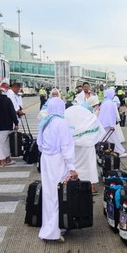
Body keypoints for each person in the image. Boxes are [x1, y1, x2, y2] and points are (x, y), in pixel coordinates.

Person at [38, 98, 77, 242]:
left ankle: (50, 227)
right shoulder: (61, 123)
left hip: (46, 159)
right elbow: (66, 147)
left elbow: (40, 145)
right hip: (58, 161)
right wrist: (72, 167)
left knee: (49, 195)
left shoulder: (45, 121)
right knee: (57, 194)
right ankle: (53, 232)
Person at [65, 96, 105, 195]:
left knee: (75, 164)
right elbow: (96, 125)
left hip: (73, 143)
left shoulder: (67, 112)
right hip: (87, 143)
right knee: (89, 165)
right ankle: (91, 187)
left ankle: (75, 185)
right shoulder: (86, 113)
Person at [98, 88, 127, 158]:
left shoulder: (105, 102)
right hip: (108, 124)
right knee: (113, 139)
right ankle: (120, 152)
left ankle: (118, 151)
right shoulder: (109, 103)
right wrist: (111, 125)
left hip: (104, 123)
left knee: (105, 138)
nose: (114, 95)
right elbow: (110, 114)